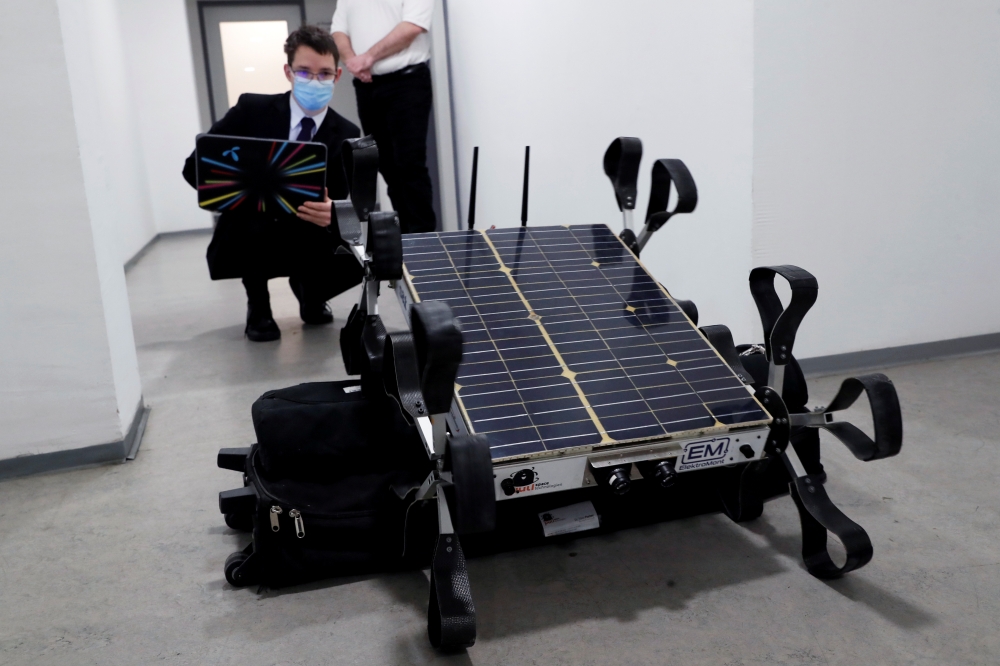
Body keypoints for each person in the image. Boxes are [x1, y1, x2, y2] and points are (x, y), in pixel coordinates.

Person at [183, 25, 362, 342]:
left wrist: (334, 210)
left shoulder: (346, 132)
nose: (314, 81)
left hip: (308, 226)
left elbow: (347, 198)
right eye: (304, 72)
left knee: (352, 241)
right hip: (254, 222)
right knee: (249, 221)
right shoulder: (252, 110)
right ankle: (259, 305)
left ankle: (311, 291)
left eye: (323, 74)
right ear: (288, 72)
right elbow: (195, 166)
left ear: (336, 76)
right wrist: (230, 193)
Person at [331, 0, 436, 234]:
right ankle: (404, 235)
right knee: (385, 165)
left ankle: (423, 238)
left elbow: (412, 27)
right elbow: (338, 31)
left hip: (406, 82)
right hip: (366, 86)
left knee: (409, 164)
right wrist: (353, 61)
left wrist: (368, 57)